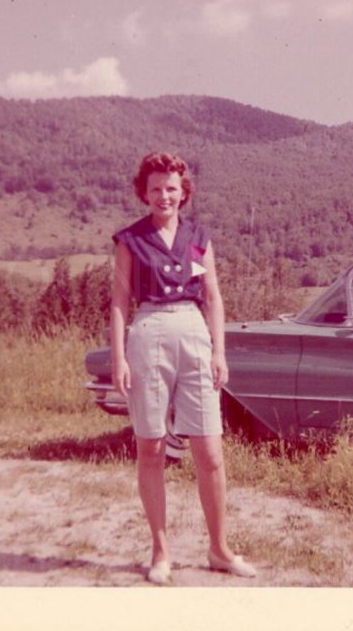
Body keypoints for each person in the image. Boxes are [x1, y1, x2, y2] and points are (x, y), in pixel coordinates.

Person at [109, 151, 257, 585]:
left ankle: (219, 549)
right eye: (155, 188)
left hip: (194, 333)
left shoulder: (198, 237)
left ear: (183, 192)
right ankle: (160, 551)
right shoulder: (129, 240)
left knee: (209, 450)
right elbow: (119, 301)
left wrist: (219, 352)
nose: (163, 196)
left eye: (171, 188)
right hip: (149, 330)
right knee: (151, 447)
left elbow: (213, 297)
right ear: (144, 193)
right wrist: (118, 356)